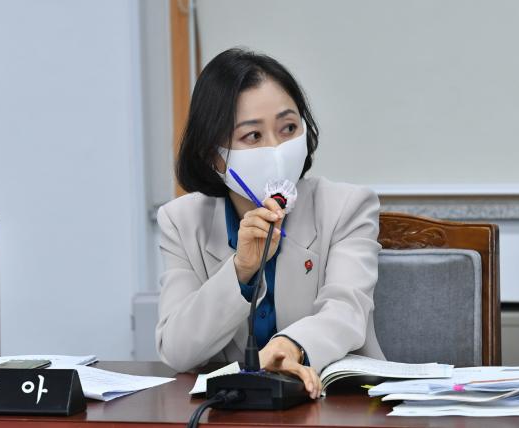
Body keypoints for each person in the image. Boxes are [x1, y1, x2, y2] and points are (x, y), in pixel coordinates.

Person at [156, 48, 384, 399]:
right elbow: (177, 350)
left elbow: (346, 310)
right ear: (214, 156)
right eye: (253, 136)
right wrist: (240, 271)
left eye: (288, 128)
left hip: (336, 403)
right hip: (228, 411)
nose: (277, 148)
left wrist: (288, 346)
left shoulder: (346, 206)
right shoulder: (181, 222)